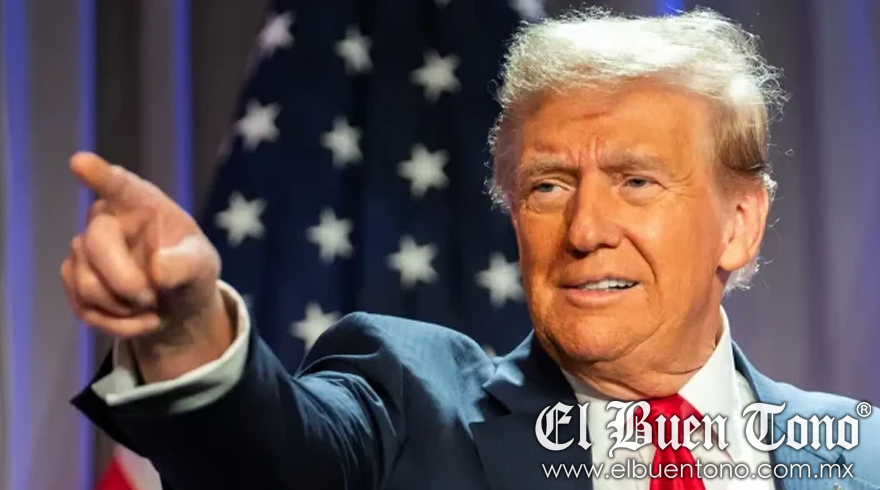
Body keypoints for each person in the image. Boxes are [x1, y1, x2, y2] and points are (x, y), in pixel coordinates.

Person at [64, 7, 878, 490]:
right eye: (548, 186)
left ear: (739, 223)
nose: (585, 230)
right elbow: (272, 462)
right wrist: (186, 333)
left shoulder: (859, 455)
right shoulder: (409, 411)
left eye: (636, 182)